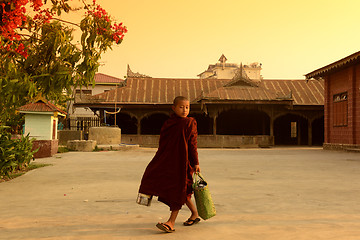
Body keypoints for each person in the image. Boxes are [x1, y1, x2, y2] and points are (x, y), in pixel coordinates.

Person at [138, 96, 201, 233]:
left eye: (187, 107)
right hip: (169, 161)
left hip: (183, 163)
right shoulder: (169, 123)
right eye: (181, 107)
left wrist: (195, 162)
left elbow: (192, 145)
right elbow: (163, 144)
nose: (184, 110)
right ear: (173, 108)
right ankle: (195, 214)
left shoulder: (190, 123)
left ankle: (171, 222)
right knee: (153, 176)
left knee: (179, 190)